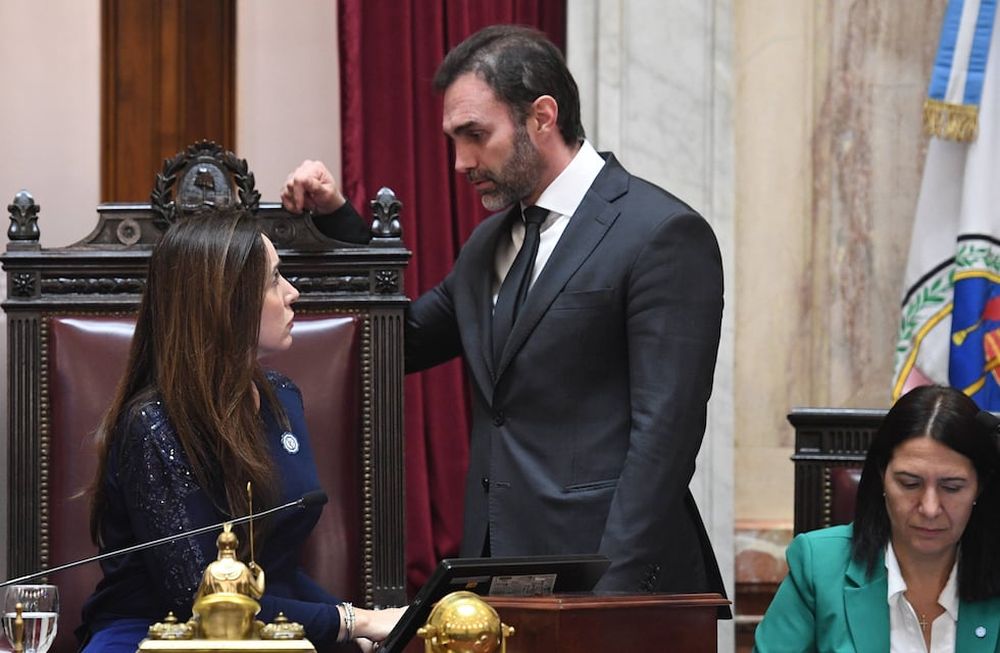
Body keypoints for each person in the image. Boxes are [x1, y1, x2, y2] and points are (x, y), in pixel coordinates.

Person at [282, 24, 725, 596]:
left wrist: (609, 593)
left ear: (542, 116)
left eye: (475, 134)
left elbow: (665, 436)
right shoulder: (489, 243)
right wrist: (339, 221)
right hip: (497, 573)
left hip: (614, 582)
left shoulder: (662, 233)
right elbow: (400, 342)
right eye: (453, 138)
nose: (460, 162)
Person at [79, 210, 403, 652]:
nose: (293, 293)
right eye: (273, 280)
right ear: (224, 300)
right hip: (156, 634)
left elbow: (279, 570)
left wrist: (353, 626)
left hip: (264, 632)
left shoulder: (282, 398)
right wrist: (352, 621)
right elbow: (201, 599)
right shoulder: (152, 427)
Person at [754, 385, 1000, 652]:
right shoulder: (819, 566)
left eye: (951, 487)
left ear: (980, 486)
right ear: (882, 475)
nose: (930, 508)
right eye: (909, 483)